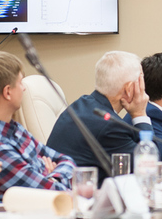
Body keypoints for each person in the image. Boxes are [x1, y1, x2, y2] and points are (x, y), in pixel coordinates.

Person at [0, 50, 74, 203]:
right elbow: (55, 195)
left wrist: (51, 177)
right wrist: (46, 173)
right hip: (30, 216)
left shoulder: (14, 129)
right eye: (20, 82)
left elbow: (66, 160)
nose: (24, 88)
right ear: (8, 92)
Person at [47, 50, 153, 182]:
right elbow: (149, 168)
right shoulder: (109, 127)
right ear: (129, 88)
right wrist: (140, 114)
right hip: (73, 194)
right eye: (141, 79)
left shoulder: (81, 104)